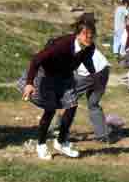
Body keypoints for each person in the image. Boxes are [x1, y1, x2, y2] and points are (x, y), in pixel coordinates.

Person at [18, 16, 97, 160]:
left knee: (72, 105)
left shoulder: (90, 47)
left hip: (65, 77)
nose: (89, 38)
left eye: (91, 35)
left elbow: (86, 59)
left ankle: (61, 142)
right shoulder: (62, 44)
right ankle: (41, 145)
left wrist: (94, 75)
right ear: (78, 34)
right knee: (50, 109)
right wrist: (29, 83)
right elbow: (36, 59)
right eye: (86, 34)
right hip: (47, 75)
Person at [54, 39, 114, 144]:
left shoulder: (68, 49)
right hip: (104, 70)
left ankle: (60, 131)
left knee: (67, 98)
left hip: (90, 73)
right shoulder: (78, 42)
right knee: (93, 104)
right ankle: (103, 135)